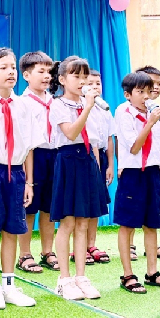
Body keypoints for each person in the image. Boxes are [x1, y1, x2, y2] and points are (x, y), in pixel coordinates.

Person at [0, 47, 45, 309]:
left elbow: (29, 147)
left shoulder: (24, 106)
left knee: (12, 229)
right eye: (3, 68)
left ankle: (10, 285)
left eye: (12, 67)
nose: (11, 72)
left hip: (15, 173)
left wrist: (28, 182)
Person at [48, 57, 107, 300]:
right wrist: (88, 108)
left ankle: (81, 276)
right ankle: (64, 279)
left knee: (84, 222)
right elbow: (71, 133)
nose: (82, 82)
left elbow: (94, 141)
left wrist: (97, 167)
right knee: (68, 222)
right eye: (76, 76)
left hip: (87, 161)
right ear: (62, 79)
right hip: (68, 160)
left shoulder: (90, 104)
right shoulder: (58, 105)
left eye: (85, 77)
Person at [113, 72, 160, 294]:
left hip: (151, 173)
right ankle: (128, 275)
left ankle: (152, 273)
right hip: (132, 173)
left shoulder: (155, 112)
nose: (145, 97)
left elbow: (158, 150)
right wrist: (150, 122)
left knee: (152, 224)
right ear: (128, 94)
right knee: (128, 224)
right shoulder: (123, 112)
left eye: (148, 92)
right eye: (140, 92)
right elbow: (134, 147)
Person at [17, 51, 60, 273]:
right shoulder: (22, 103)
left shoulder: (55, 102)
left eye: (49, 72)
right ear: (26, 75)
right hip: (32, 157)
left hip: (55, 156)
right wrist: (28, 176)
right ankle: (24, 254)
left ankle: (47, 251)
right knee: (29, 207)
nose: (47, 76)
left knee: (49, 207)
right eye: (41, 71)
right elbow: (25, 141)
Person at [134, 66, 160, 260]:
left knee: (154, 207)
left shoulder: (159, 111)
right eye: (152, 83)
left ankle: (152, 246)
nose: (156, 87)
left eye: (159, 83)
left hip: (154, 166)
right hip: (136, 167)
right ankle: (130, 244)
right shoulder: (128, 110)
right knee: (134, 207)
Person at [82, 68, 116, 265]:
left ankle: (91, 244)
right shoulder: (81, 106)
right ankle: (78, 246)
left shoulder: (105, 109)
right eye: (90, 83)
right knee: (83, 204)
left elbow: (109, 139)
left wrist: (110, 165)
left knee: (96, 203)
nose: (95, 87)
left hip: (101, 156)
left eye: (98, 83)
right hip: (85, 156)